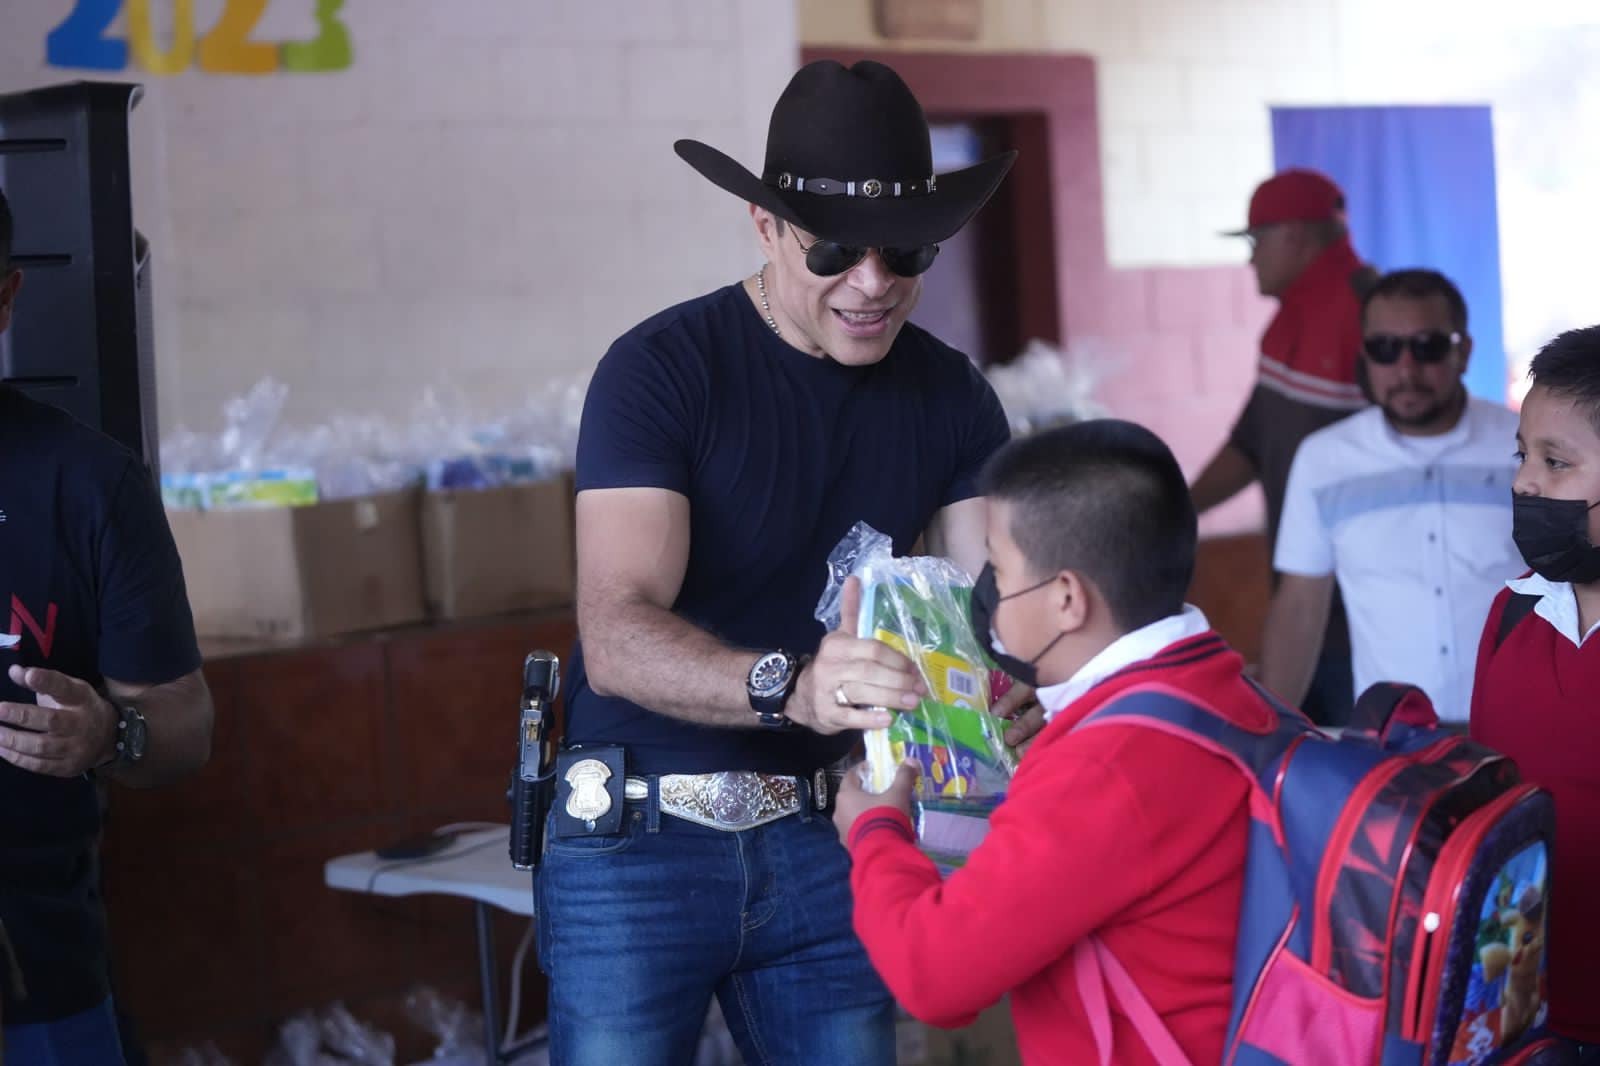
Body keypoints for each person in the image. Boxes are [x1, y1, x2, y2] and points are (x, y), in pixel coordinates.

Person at [545, 60, 1021, 1064]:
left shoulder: (952, 397)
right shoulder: (662, 370)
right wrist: (794, 688)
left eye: (907, 251)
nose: (873, 281)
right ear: (765, 229)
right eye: (836, 250)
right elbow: (617, 632)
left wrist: (1013, 679)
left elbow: (997, 607)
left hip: (831, 832)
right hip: (638, 832)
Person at [834, 419, 1265, 1062]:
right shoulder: (1228, 695)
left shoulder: (1105, 766)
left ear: (1067, 598)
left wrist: (875, 834)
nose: (986, 596)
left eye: (998, 571)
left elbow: (935, 976)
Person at [0, 187, 213, 1062]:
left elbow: (185, 724)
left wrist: (110, 732)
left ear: (6, 295)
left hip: (35, 969)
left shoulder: (90, 485)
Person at [1260, 269, 1523, 722]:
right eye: (1385, 349)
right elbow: (1300, 607)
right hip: (1394, 742)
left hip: (1523, 725)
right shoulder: (1325, 461)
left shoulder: (1524, 446)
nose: (1406, 370)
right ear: (1365, 356)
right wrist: (1268, 733)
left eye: (1428, 347)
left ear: (1464, 353)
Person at [1190, 168, 1376, 724]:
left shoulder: (1371, 312)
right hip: (1300, 595)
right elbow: (1251, 445)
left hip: (1362, 610)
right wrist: (1174, 506)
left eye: (1256, 240)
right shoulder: (1287, 321)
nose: (1251, 258)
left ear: (1293, 235)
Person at [1471, 325, 1600, 1048]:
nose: (1525, 482)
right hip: (1517, 1021)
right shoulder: (1511, 614)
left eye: (1557, 462)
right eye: (1525, 456)